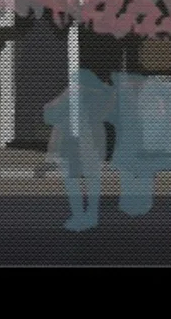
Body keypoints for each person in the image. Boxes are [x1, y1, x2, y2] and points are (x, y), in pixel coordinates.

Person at [43, 69, 116, 232]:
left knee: (72, 180)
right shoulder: (105, 95)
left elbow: (51, 112)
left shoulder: (74, 92)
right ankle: (92, 215)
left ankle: (78, 216)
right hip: (95, 138)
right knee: (92, 179)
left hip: (73, 139)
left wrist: (50, 105)